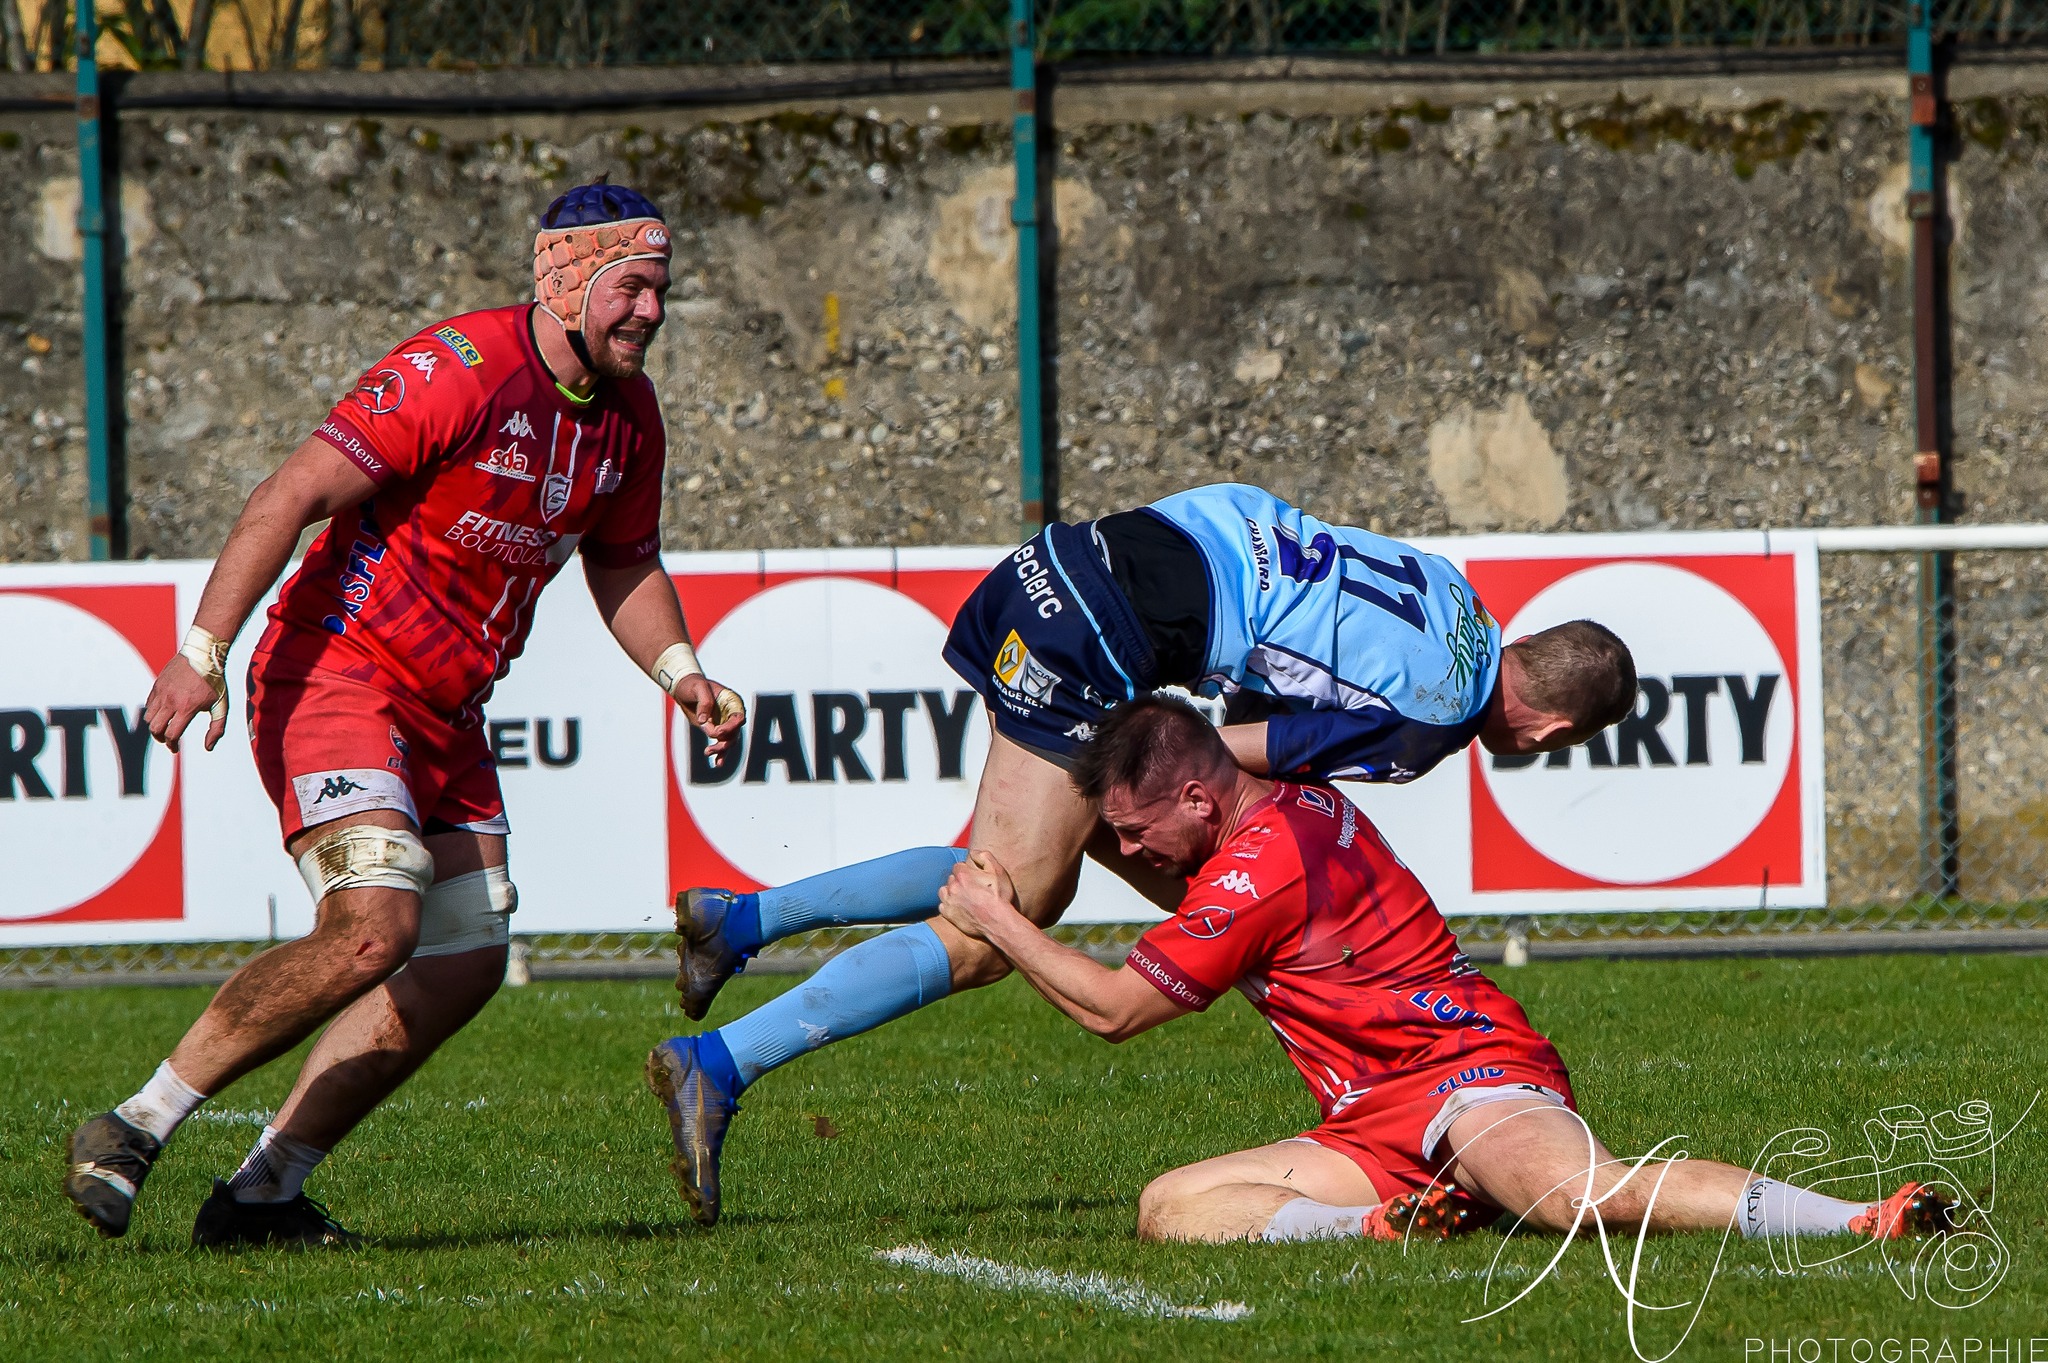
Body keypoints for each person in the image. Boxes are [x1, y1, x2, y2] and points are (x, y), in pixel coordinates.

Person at [648, 483, 1638, 1226]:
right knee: (1000, 920)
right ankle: (718, 1063)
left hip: (1077, 562)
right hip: (1100, 632)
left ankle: (736, 924)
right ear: (1550, 729)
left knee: (1027, 865)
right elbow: (1230, 759)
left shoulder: (1453, 596)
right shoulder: (1436, 720)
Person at [64, 182, 744, 1249]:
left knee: (465, 961)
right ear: (565, 281)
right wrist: (201, 651)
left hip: (449, 712)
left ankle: (262, 1195)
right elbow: (288, 495)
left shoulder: (629, 420)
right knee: (375, 930)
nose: (651, 311)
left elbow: (626, 562)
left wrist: (679, 669)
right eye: (632, 287)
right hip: (340, 673)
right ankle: (135, 1123)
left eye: (662, 290)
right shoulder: (457, 371)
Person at [933, 695, 1957, 1246]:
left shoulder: (1256, 867)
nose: (1130, 849)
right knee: (1171, 1208)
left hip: (1465, 1074)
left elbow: (1114, 1011)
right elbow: (1201, 901)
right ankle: (1383, 1224)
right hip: (1374, 1122)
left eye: (1134, 832)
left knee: (1572, 1196)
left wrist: (994, 916)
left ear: (1199, 802)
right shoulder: (1266, 814)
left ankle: (1857, 1217)